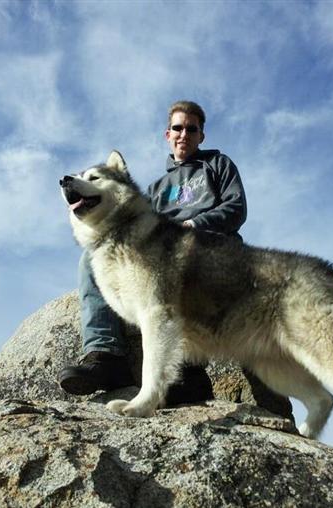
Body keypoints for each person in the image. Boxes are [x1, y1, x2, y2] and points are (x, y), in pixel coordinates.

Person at [59, 100, 247, 405]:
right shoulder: (158, 187)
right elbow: (142, 221)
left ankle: (188, 373)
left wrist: (194, 223)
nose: (183, 134)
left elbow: (236, 208)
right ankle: (105, 356)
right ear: (167, 134)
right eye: (177, 128)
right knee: (92, 259)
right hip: (163, 248)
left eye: (191, 129)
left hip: (210, 247)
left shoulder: (218, 165)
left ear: (201, 135)